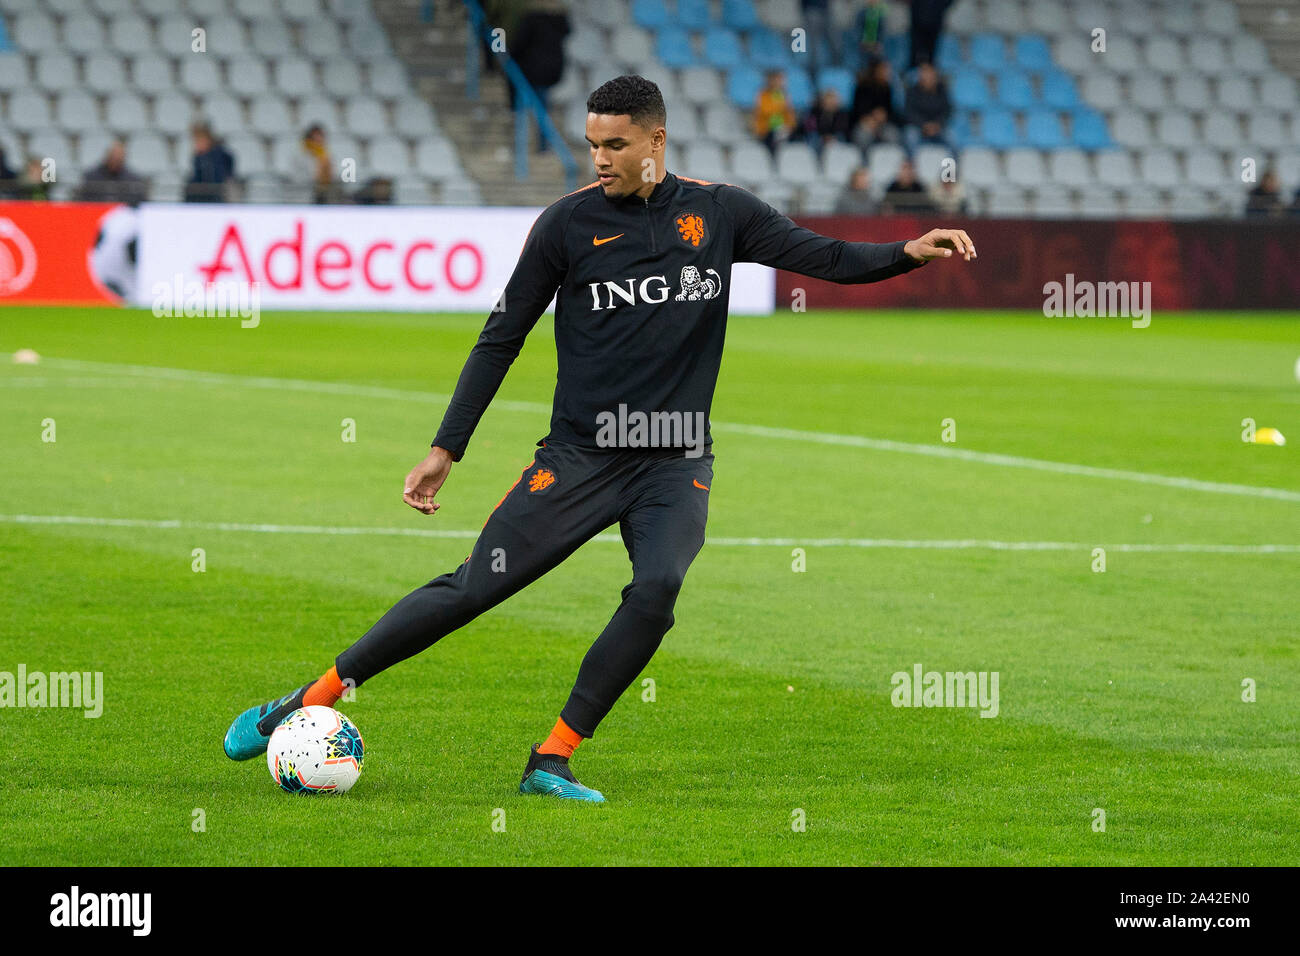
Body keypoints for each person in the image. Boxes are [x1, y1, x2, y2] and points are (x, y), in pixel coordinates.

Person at [222, 74, 976, 802]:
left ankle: (552, 757)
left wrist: (907, 252)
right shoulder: (566, 225)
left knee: (658, 590)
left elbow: (827, 257)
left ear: (657, 139)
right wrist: (446, 447)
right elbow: (501, 336)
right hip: (580, 457)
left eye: (614, 144)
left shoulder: (721, 214)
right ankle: (304, 698)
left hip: (675, 459)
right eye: (592, 145)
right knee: (474, 589)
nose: (600, 159)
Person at [851, 58, 902, 149]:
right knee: (862, 136)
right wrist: (869, 119)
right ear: (876, 70)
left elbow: (890, 111)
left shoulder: (887, 88)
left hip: (883, 124)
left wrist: (883, 117)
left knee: (893, 135)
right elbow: (857, 110)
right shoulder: (862, 87)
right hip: (865, 123)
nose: (888, 72)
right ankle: (863, 162)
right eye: (885, 69)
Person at [76, 140, 147, 204]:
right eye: (113, 157)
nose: (115, 160)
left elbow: (141, 202)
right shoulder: (91, 177)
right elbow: (82, 201)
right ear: (107, 156)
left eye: (119, 158)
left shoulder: (133, 180)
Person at [902, 61, 951, 152]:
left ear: (935, 75)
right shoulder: (912, 91)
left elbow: (947, 110)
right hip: (919, 127)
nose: (927, 77)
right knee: (910, 135)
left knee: (951, 136)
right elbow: (909, 112)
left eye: (929, 73)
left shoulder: (942, 90)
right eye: (923, 73)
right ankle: (912, 163)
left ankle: (952, 164)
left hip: (938, 127)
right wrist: (924, 125)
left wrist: (937, 124)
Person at [185, 122, 236, 203]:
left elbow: (219, 179)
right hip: (203, 198)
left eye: (199, 140)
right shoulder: (198, 158)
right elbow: (197, 179)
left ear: (208, 139)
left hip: (217, 197)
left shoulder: (219, 156)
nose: (197, 144)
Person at [753, 69, 796, 156]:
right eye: (777, 79)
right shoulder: (763, 94)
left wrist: (790, 125)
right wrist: (781, 106)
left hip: (783, 128)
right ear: (770, 81)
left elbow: (789, 114)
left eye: (781, 80)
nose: (780, 82)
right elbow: (766, 111)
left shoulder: (784, 94)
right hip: (766, 129)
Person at [798, 87, 852, 155]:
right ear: (823, 101)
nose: (831, 102)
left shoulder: (842, 114)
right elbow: (810, 128)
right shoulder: (814, 113)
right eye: (828, 99)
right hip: (819, 140)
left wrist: (832, 137)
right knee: (813, 139)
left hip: (836, 140)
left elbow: (843, 130)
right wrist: (824, 138)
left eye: (833, 99)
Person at [910, 0, 954, 69]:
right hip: (917, 24)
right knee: (916, 53)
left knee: (934, 54)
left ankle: (931, 72)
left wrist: (940, 8)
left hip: (935, 25)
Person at [300, 123, 334, 203]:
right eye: (315, 138)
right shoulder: (300, 156)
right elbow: (297, 179)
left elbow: (334, 177)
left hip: (326, 194)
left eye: (321, 137)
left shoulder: (327, 155)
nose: (319, 141)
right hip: (305, 195)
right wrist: (317, 173)